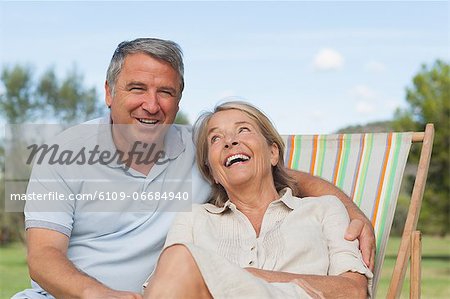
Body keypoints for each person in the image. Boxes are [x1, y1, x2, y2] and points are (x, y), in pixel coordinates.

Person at [13, 38, 375, 299]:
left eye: (165, 92)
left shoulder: (196, 147)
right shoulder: (63, 152)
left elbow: (281, 176)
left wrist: (352, 211)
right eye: (137, 88)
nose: (151, 105)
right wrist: (99, 295)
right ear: (109, 93)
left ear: (179, 97)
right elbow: (44, 256)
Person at [144, 101, 373, 298]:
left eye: (243, 130)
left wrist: (251, 277)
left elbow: (353, 291)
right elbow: (161, 287)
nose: (229, 141)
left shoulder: (325, 209)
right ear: (212, 172)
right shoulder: (193, 218)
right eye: (215, 138)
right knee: (178, 257)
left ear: (273, 153)